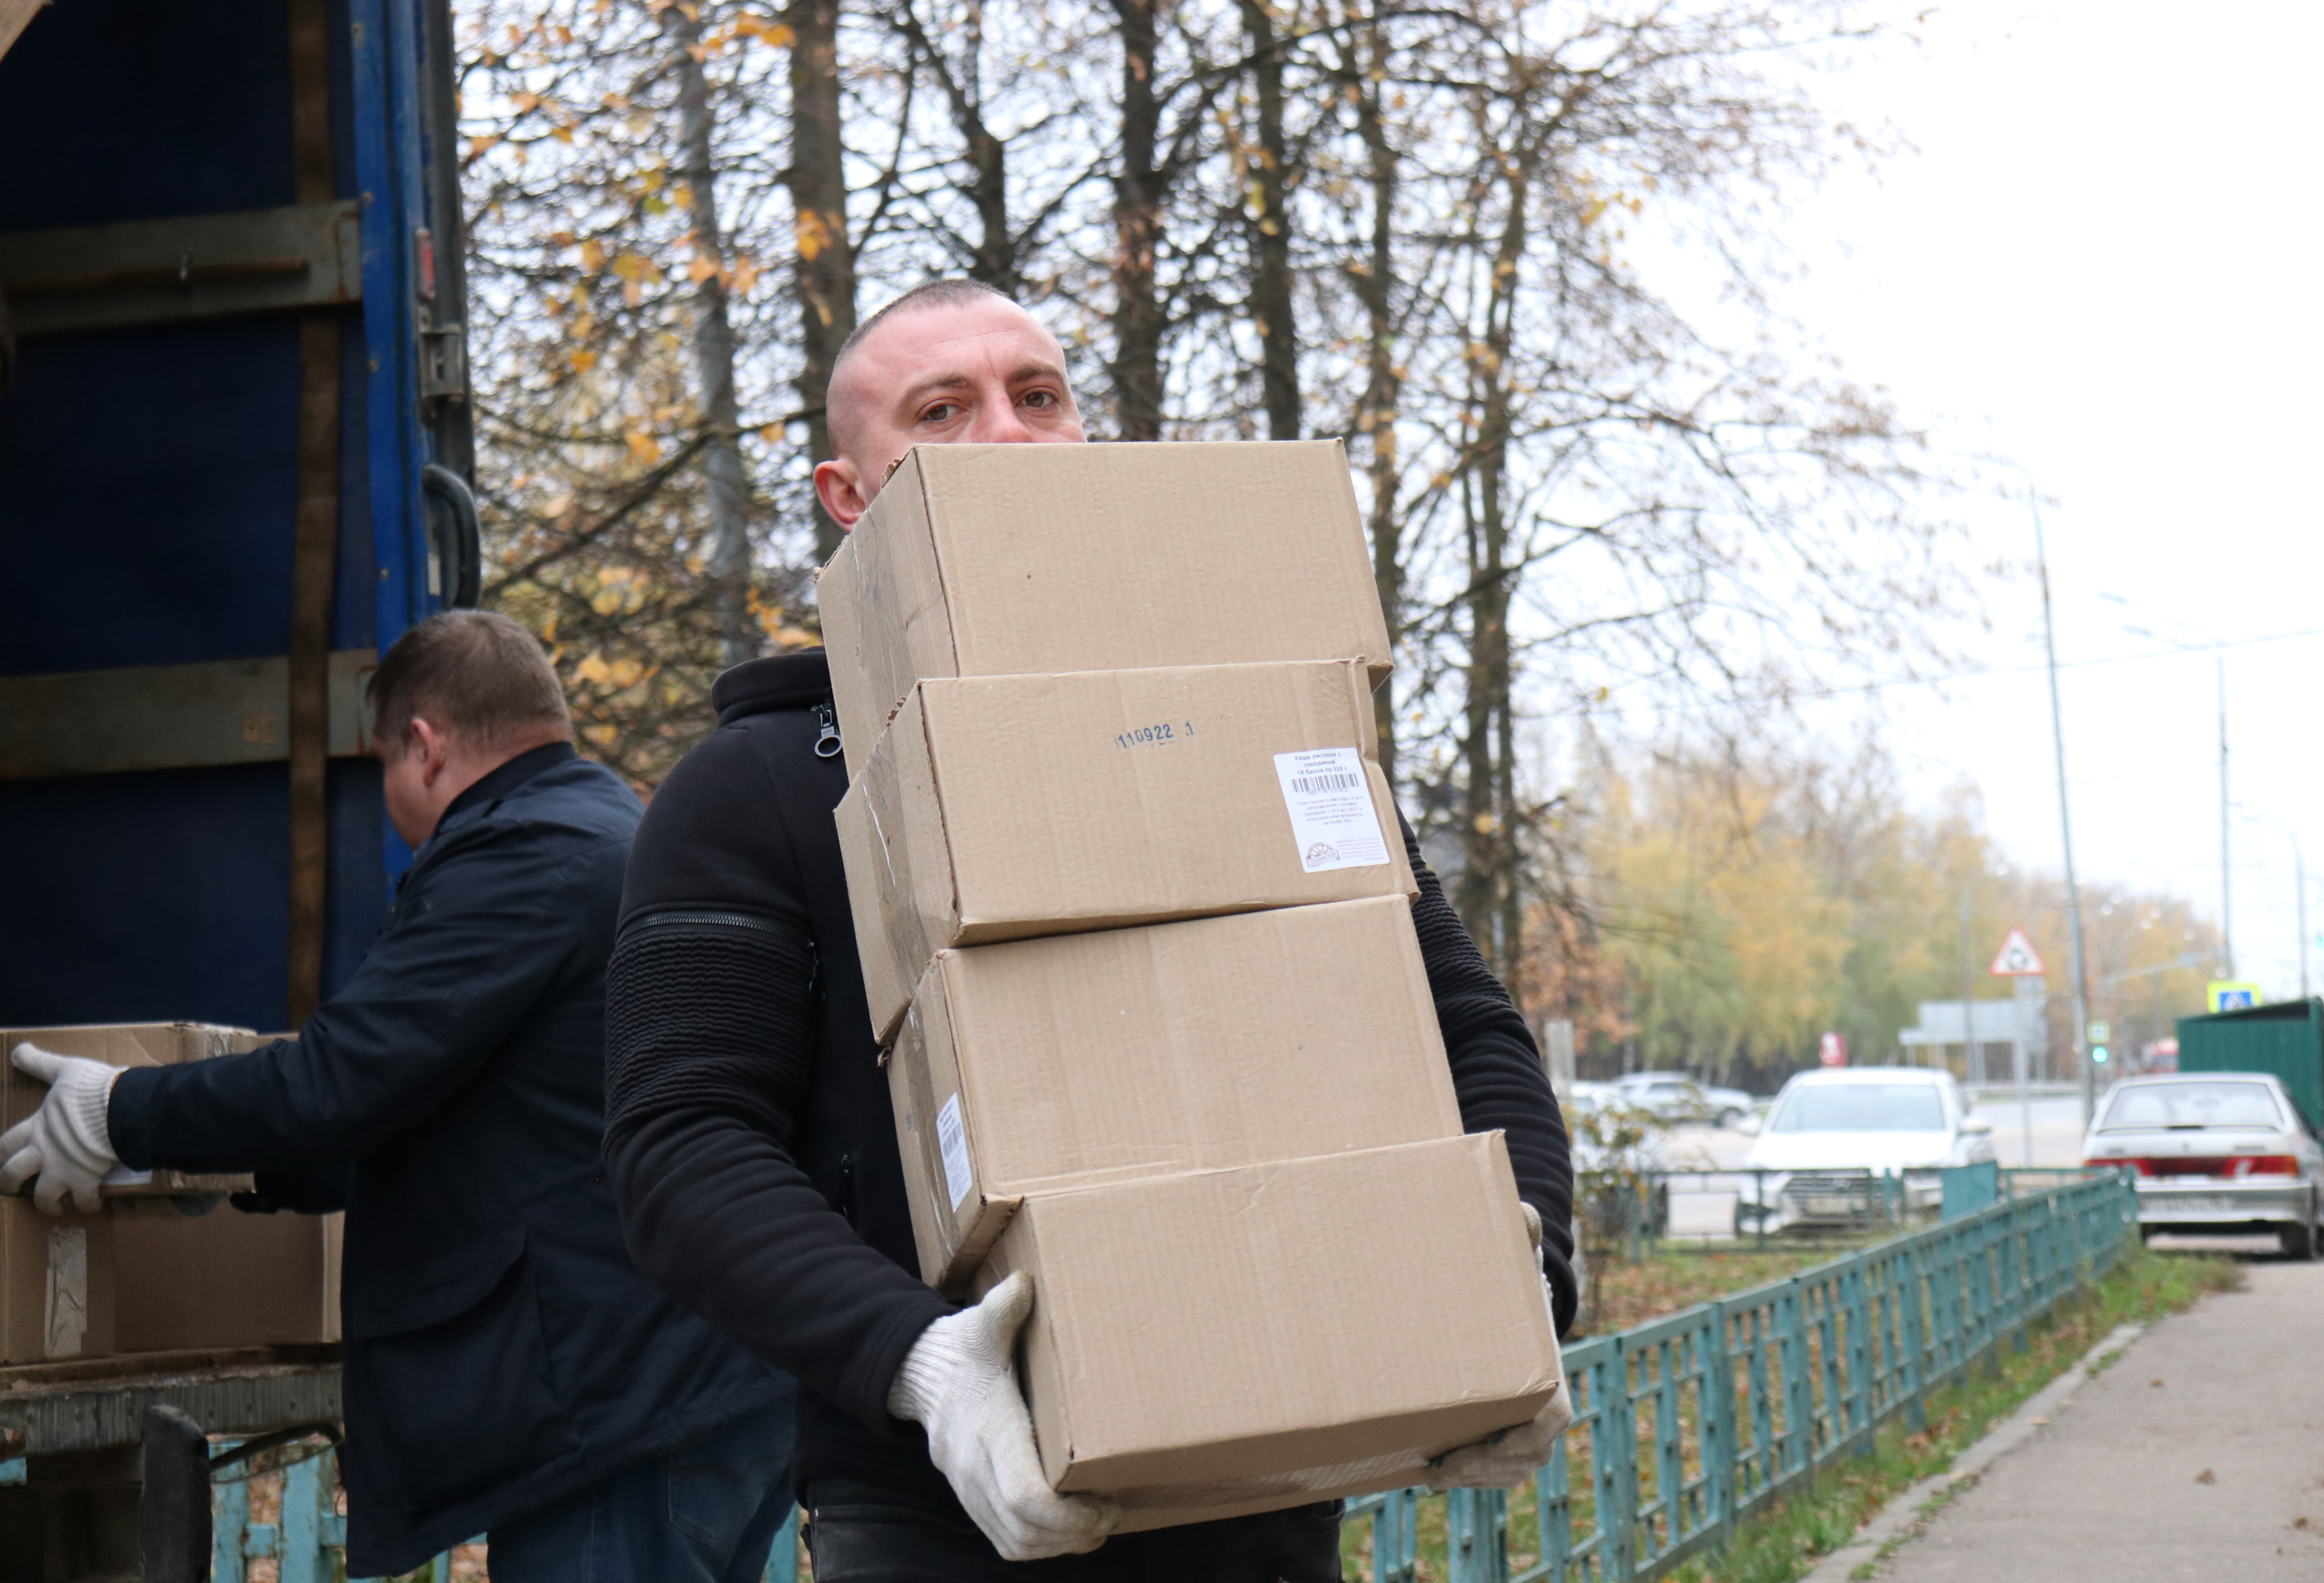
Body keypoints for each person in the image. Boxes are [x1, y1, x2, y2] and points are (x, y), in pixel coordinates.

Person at [602, 280, 1579, 1581]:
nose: (1006, 435)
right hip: (945, 1514)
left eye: (1039, 396)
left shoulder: (1249, 725)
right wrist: (920, 1363)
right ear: (850, 495)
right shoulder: (764, 787)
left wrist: (1521, 1266)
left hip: (1271, 1486)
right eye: (941, 411)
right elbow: (681, 1145)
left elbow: (1460, 1026)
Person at [0, 611, 797, 1582]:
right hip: (687, 1382)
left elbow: (344, 1076)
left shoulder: (524, 861)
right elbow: (426, 1103)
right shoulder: (603, 833)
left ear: (423, 745)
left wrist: (117, 1111)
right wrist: (223, 1164)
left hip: (622, 1404)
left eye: (382, 766)